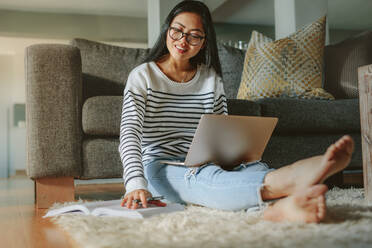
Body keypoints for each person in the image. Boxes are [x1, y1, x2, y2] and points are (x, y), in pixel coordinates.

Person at [119, 0, 354, 223]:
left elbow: (220, 130)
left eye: (194, 36)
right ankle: (289, 180)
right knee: (205, 181)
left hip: (202, 162)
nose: (183, 40)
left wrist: (230, 158)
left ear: (204, 41)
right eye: (177, 30)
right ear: (167, 30)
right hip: (160, 166)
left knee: (251, 167)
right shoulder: (143, 76)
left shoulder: (210, 79)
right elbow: (129, 133)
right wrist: (135, 183)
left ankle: (280, 206)